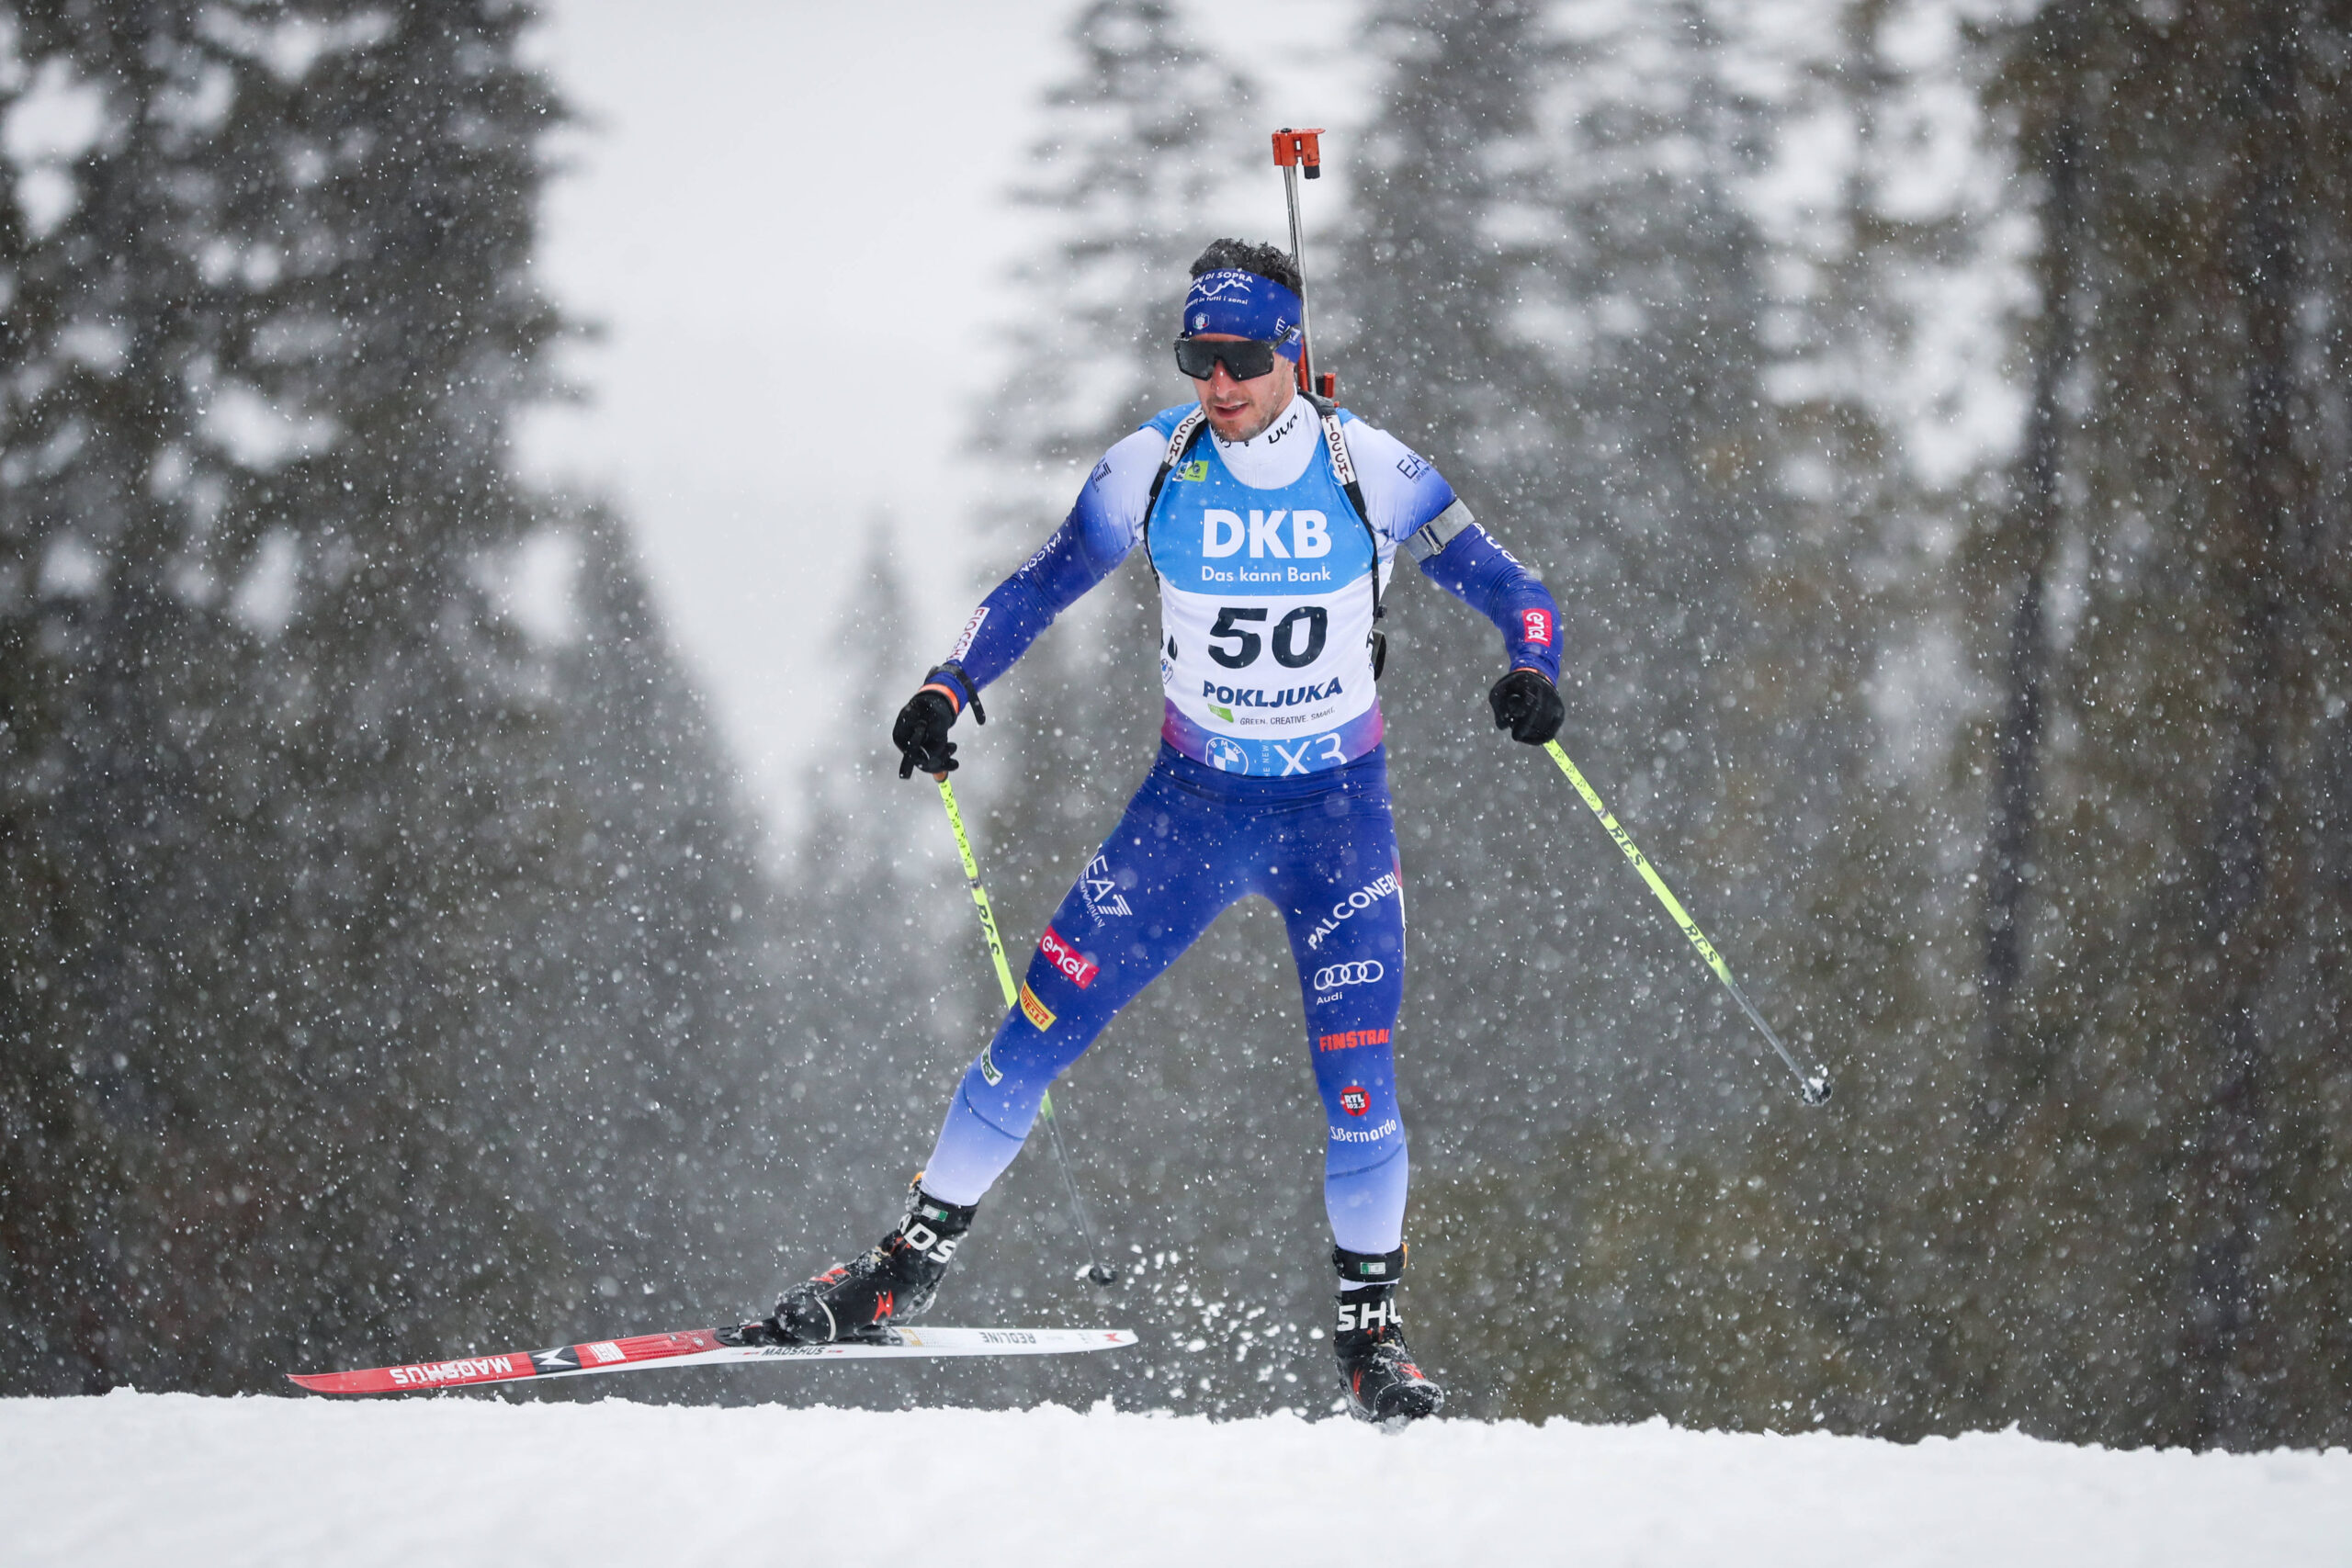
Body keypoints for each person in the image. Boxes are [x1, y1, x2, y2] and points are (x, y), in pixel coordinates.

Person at [737, 239, 1565, 1425]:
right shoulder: (1156, 467)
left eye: (1239, 358)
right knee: (1035, 1026)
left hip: (1334, 820)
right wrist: (946, 684)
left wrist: (1533, 668)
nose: (1217, 385)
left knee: (1358, 1084)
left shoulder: (1366, 469)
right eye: (1196, 358)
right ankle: (902, 1269)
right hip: (1191, 813)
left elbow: (1516, 590)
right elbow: (1035, 585)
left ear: (1291, 353)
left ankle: (1372, 1343)